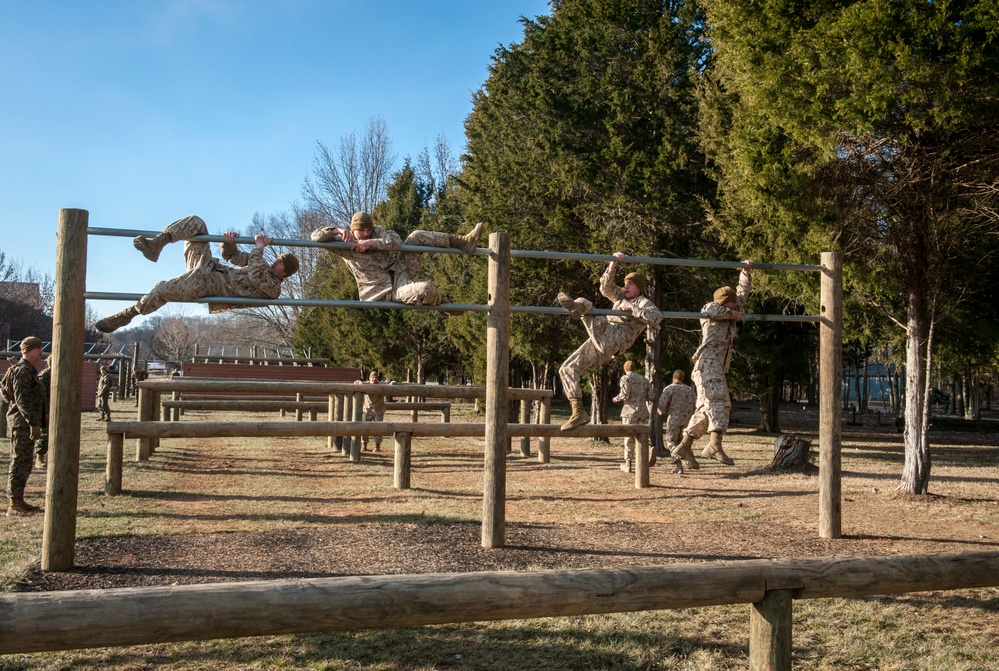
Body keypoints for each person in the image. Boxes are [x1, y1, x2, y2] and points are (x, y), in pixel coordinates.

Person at [94, 215, 300, 332]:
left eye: (280, 263)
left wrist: (259, 248)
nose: (275, 262)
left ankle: (129, 314)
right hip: (207, 266)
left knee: (163, 288)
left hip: (207, 284)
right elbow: (233, 257)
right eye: (278, 259)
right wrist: (228, 243)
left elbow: (255, 276)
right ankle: (158, 244)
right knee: (197, 224)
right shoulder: (261, 263)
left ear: (285, 273)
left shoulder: (273, 289)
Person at [557, 253, 662, 430]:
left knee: (585, 304)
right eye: (626, 282)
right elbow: (605, 288)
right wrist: (613, 264)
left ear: (639, 289)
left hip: (616, 339)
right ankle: (578, 411)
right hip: (601, 341)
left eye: (631, 284)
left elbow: (656, 317)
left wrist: (633, 308)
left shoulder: (643, 302)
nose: (626, 286)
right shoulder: (620, 297)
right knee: (567, 368)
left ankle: (577, 307)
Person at [671, 261, 754, 469]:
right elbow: (712, 308)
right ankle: (715, 446)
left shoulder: (731, 309)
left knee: (705, 409)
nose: (738, 306)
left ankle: (685, 445)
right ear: (727, 303)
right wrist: (731, 314)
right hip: (707, 363)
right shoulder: (712, 311)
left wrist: (745, 273)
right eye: (733, 303)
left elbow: (742, 295)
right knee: (720, 403)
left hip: (713, 365)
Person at [310, 211, 483, 306]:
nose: (365, 233)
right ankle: (443, 304)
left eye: (367, 230)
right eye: (361, 231)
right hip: (386, 292)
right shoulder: (344, 244)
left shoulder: (375, 232)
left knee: (416, 236)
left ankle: (463, 242)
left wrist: (371, 242)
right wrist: (336, 230)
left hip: (399, 272)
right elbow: (315, 237)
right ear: (352, 229)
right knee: (426, 288)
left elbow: (395, 241)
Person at [1, 337, 46, 516]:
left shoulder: (29, 370)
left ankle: (19, 499)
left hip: (25, 423)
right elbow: (22, 400)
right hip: (22, 424)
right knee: (19, 461)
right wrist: (32, 423)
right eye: (38, 348)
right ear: (28, 350)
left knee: (25, 462)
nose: (41, 352)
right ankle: (13, 504)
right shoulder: (22, 371)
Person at [611, 360, 656, 473]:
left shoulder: (625, 378)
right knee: (644, 435)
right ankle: (650, 449)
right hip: (643, 411)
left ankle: (628, 464)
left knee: (629, 438)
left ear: (625, 369)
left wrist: (617, 398)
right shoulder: (644, 380)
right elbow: (651, 396)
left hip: (629, 412)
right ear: (635, 368)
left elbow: (625, 393)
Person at [657, 369, 696, 472]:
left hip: (674, 419)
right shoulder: (690, 390)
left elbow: (662, 404)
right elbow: (695, 404)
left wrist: (660, 412)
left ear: (673, 378)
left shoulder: (669, 389)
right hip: (688, 421)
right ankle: (679, 467)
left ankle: (681, 461)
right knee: (681, 443)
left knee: (671, 441)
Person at [356, 372, 395, 451]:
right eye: (372, 377)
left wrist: (392, 383)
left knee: (378, 429)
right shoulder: (365, 384)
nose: (374, 379)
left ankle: (377, 446)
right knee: (364, 428)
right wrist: (358, 382)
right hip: (367, 410)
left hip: (379, 410)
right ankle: (364, 445)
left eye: (376, 377)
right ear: (369, 378)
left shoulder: (381, 384)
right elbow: (356, 382)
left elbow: (391, 383)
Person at [34, 357, 51, 467]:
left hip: (58, 408)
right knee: (45, 433)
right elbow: (42, 394)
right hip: (46, 408)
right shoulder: (46, 375)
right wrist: (45, 411)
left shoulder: (61, 374)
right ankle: (39, 457)